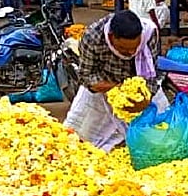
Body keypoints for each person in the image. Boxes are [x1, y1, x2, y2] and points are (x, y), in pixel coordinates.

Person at [63, 10, 168, 151]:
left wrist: (145, 100)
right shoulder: (92, 37)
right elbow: (86, 76)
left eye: (135, 48)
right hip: (102, 88)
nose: (131, 53)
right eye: (124, 49)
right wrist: (117, 91)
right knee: (77, 139)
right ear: (111, 37)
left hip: (139, 87)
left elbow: (152, 75)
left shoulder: (149, 33)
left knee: (163, 137)